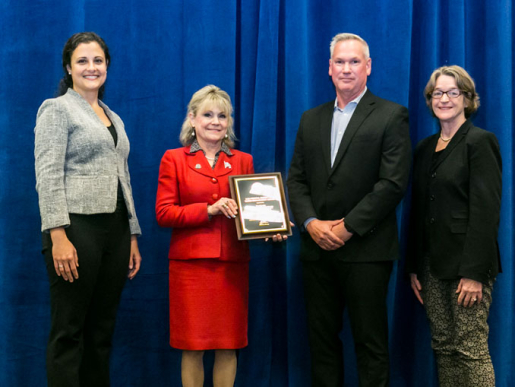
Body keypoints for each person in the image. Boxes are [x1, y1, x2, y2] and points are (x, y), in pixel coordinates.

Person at [287, 33, 411, 386]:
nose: (346, 68)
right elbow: (296, 180)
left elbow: (392, 185)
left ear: (368, 67)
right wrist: (310, 223)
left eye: (354, 61)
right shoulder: (310, 118)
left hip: (367, 251)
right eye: (339, 62)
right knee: (321, 343)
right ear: (329, 68)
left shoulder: (391, 115)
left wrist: (346, 228)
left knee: (370, 344)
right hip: (316, 252)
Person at [156, 85, 287, 387]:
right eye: (207, 115)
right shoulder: (173, 159)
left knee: (229, 346)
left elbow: (253, 215)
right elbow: (164, 213)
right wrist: (209, 209)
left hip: (232, 267)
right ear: (192, 119)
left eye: (222, 116)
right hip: (190, 269)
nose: (215, 121)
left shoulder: (243, 161)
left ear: (229, 122)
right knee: (192, 347)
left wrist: (272, 229)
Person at [34, 32, 142, 387]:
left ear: (107, 66)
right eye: (82, 61)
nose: (91, 67)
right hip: (76, 229)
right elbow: (48, 174)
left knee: (102, 329)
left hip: (115, 232)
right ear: (68, 67)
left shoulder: (113, 116)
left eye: (98, 60)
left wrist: (133, 235)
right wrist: (58, 235)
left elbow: (122, 176)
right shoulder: (57, 109)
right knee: (69, 330)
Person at [406, 65, 501, 386]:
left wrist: (474, 273)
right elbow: (418, 211)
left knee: (470, 348)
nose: (444, 99)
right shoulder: (423, 149)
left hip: (468, 267)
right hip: (432, 265)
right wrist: (414, 266)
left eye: (452, 92)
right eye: (437, 93)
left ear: (467, 99)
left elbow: (486, 212)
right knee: (444, 346)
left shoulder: (480, 142)